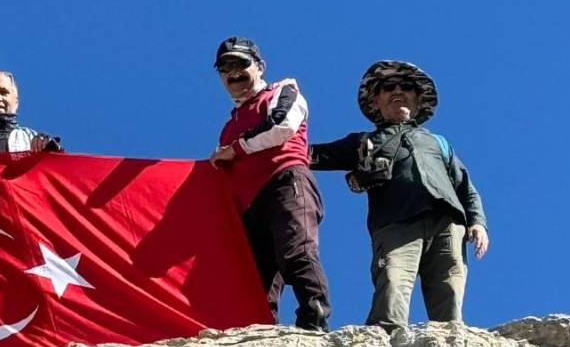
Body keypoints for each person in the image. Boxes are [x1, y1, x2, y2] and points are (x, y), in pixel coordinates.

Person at [308, 59, 489, 330]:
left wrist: (477, 222)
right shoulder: (363, 141)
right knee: (392, 283)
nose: (397, 91)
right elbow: (310, 154)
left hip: (447, 223)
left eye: (406, 86)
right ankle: (384, 346)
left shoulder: (438, 142)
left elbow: (465, 186)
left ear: (417, 99)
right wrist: (268, 143)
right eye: (387, 87)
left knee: (449, 293)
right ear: (376, 102)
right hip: (396, 223)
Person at [208, 36, 331, 331]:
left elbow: (281, 124)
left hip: (285, 181)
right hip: (248, 205)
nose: (233, 72)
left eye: (240, 63)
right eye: (225, 67)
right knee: (254, 275)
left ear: (260, 66)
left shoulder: (283, 91)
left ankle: (314, 320)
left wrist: (235, 149)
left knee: (296, 251)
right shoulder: (228, 127)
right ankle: (259, 330)